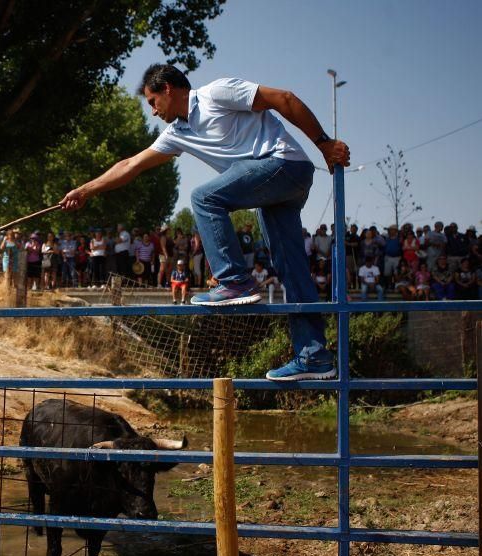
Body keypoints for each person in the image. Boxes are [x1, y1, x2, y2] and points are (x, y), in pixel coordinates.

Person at [59, 64, 349, 380]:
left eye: (153, 102)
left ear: (168, 88)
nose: (153, 112)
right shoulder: (177, 134)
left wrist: (323, 143)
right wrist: (85, 190)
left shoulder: (216, 94)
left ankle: (235, 281)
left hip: (283, 164)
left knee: (204, 197)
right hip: (272, 191)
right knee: (290, 266)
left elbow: (284, 98)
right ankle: (314, 355)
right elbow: (131, 164)